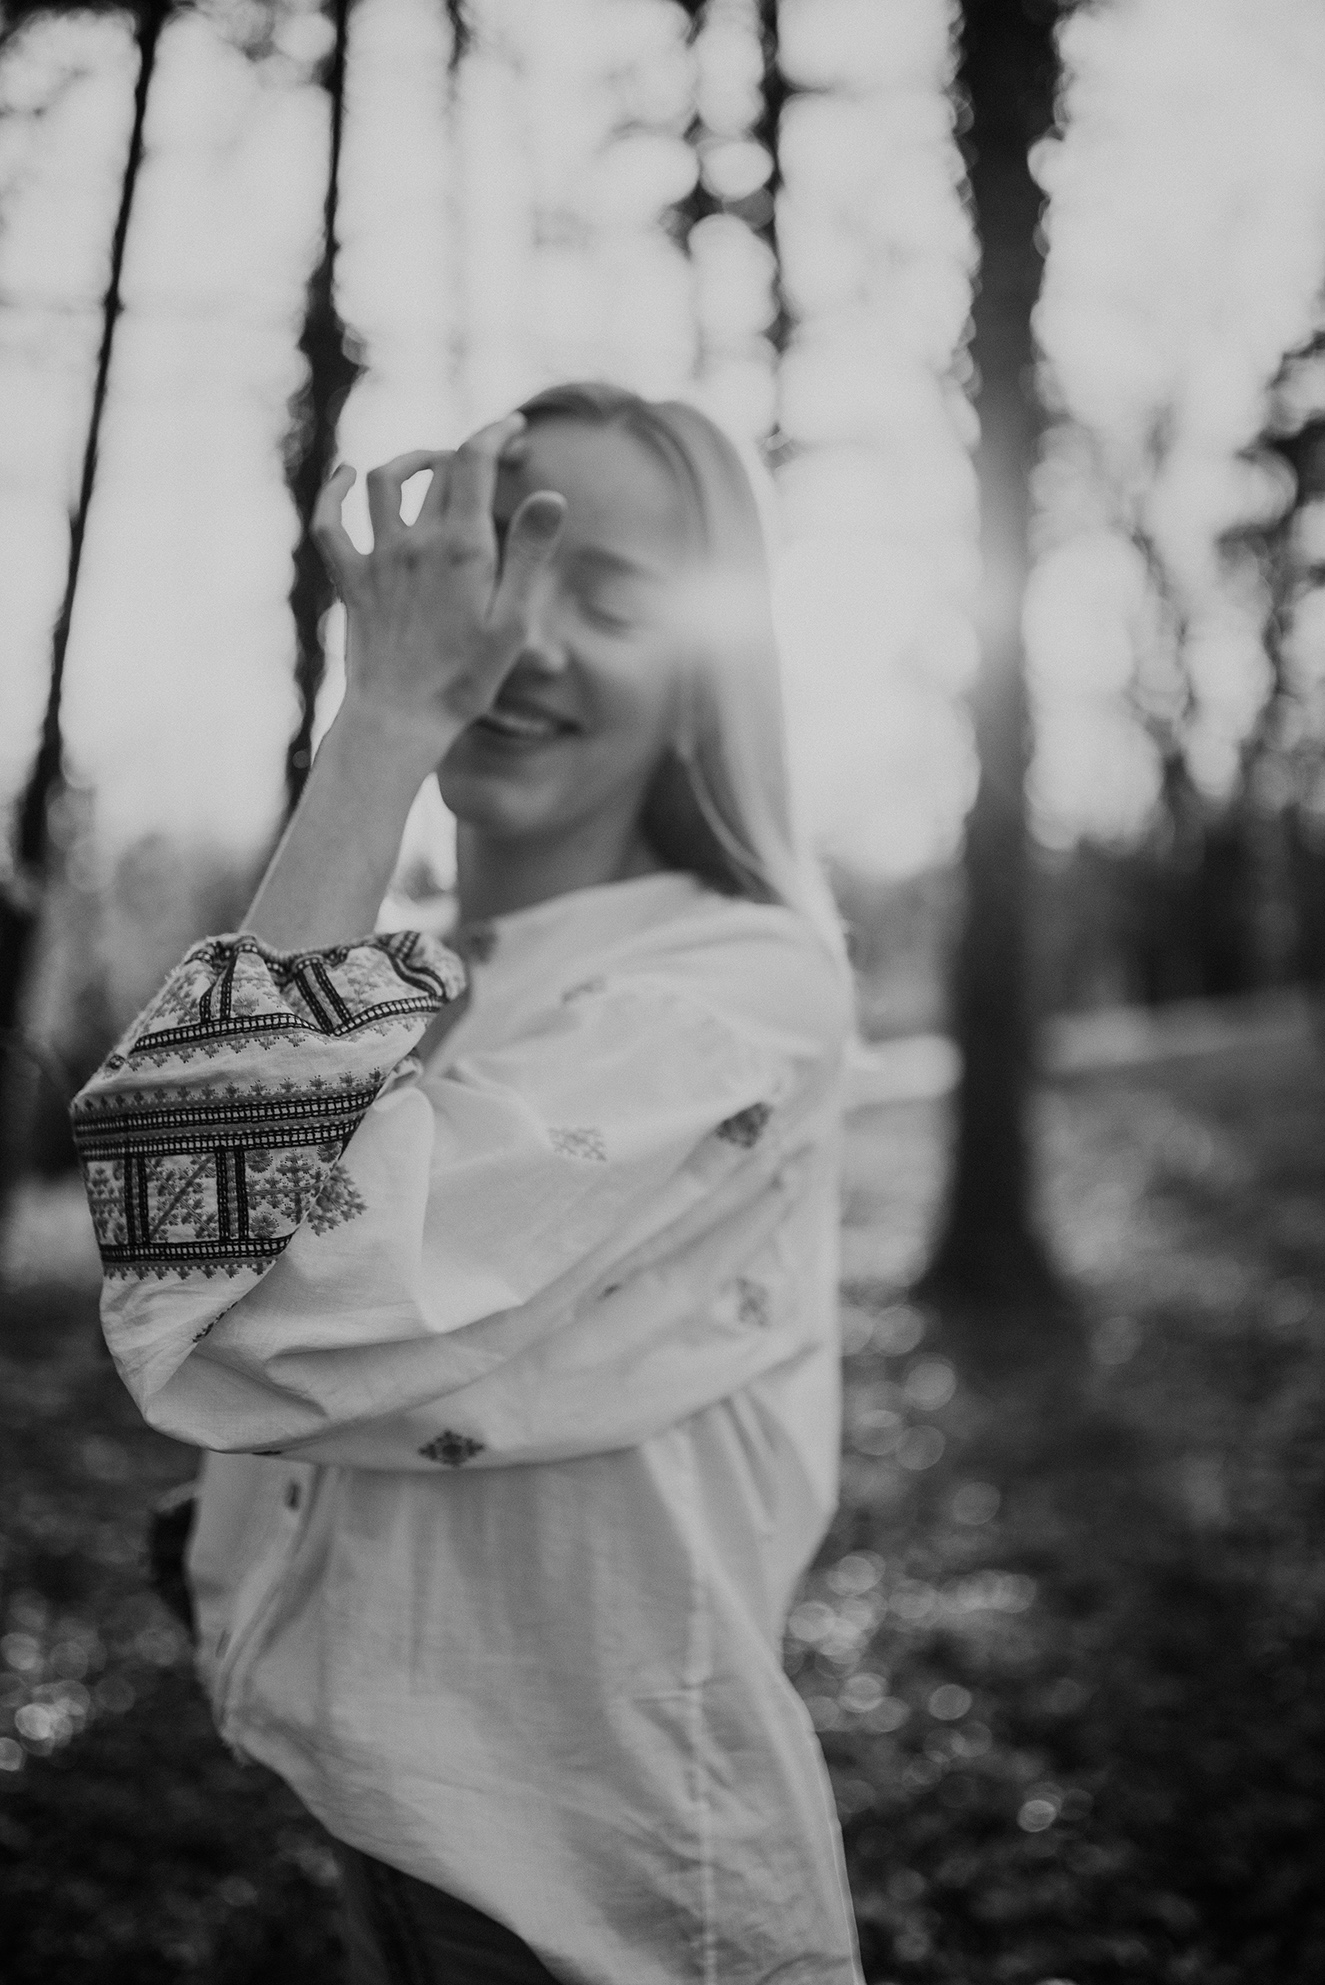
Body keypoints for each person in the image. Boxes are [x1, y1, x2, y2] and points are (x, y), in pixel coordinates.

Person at [71, 383, 864, 1984]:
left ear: (704, 683)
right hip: (388, 1828)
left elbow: (220, 1273)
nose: (520, 639)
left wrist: (379, 729)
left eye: (609, 601)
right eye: (495, 570)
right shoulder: (412, 971)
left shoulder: (735, 990)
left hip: (602, 1896)